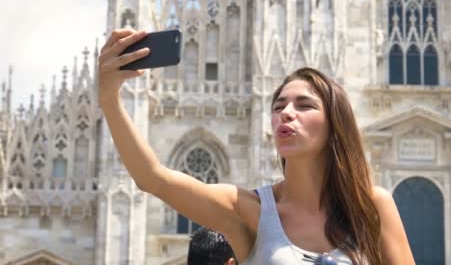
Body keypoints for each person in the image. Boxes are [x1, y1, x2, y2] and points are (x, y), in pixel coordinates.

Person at [98, 28, 415, 265]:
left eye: (304, 105)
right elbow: (152, 177)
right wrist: (109, 96)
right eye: (279, 107)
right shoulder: (251, 210)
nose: (286, 113)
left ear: (335, 125)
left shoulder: (370, 206)